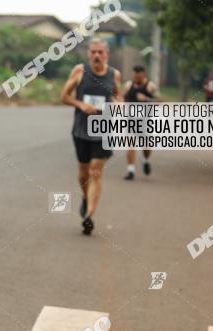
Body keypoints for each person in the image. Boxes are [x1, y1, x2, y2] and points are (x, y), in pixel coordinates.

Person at [60, 38, 122, 235]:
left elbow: (117, 95)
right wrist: (80, 105)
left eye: (100, 52)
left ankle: (89, 216)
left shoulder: (114, 75)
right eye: (93, 52)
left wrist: (118, 105)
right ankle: (85, 198)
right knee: (84, 172)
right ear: (88, 54)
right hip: (80, 129)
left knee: (96, 170)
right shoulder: (79, 72)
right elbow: (64, 96)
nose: (97, 55)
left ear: (107, 55)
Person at [122, 65, 159, 180]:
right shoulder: (128, 85)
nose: (137, 77)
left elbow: (159, 101)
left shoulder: (150, 86)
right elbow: (122, 98)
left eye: (139, 75)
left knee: (146, 147)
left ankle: (146, 161)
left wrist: (146, 99)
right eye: (135, 75)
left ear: (143, 74)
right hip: (132, 120)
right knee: (130, 145)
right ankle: (131, 171)